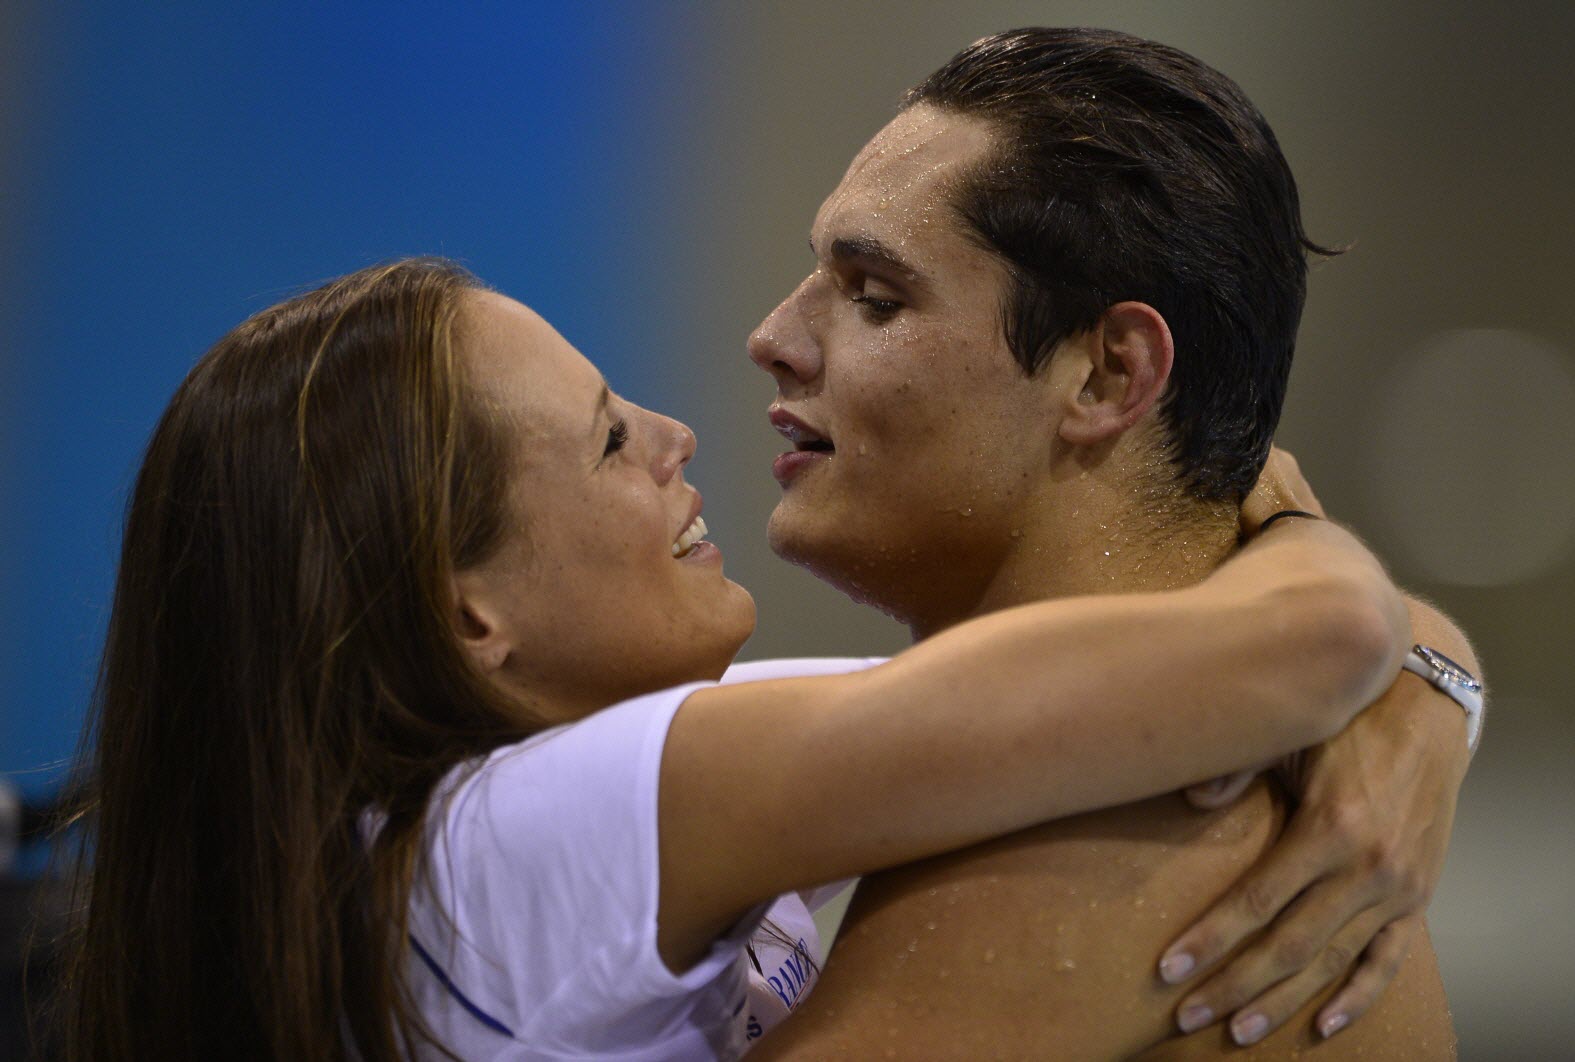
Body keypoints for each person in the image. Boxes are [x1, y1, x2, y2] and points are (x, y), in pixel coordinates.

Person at [56, 258, 1419, 1060]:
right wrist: (1286, 515)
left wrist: (1422, 705)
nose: (675, 434)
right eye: (604, 440)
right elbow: (1320, 637)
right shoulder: (533, 834)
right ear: (470, 611)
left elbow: (1229, 674)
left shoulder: (466, 834)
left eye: (880, 290)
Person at [744, 27, 1479, 1059]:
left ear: (1107, 377)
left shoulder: (1104, 822)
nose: (774, 335)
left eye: (875, 297)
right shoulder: (1176, 765)